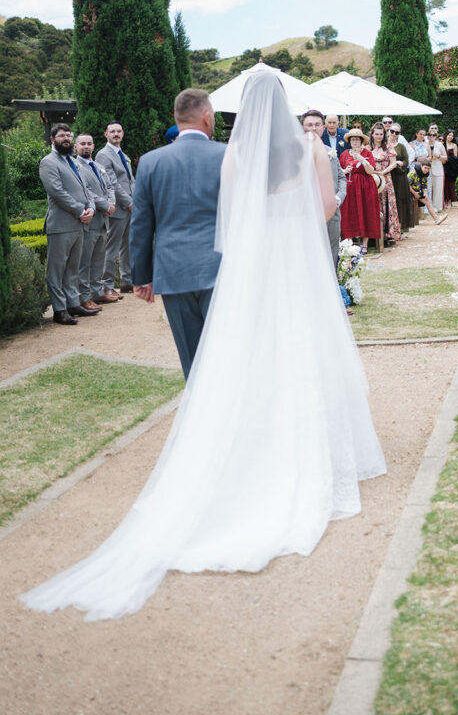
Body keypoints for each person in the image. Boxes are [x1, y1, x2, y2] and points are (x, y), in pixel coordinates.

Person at [22, 68, 386, 621]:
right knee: (271, 355)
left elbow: (166, 220)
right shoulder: (263, 153)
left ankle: (213, 429)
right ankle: (271, 427)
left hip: (193, 271)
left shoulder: (181, 159)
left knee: (209, 361)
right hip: (254, 271)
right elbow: (315, 210)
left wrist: (142, 272)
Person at [129, 89, 227, 380]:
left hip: (173, 272)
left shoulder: (150, 162)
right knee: (225, 353)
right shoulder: (228, 155)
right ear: (207, 117)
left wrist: (141, 277)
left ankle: (199, 418)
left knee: (192, 359)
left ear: (177, 117)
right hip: (221, 268)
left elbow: (141, 224)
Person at [38, 124, 96, 325]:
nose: (66, 139)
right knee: (57, 270)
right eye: (62, 136)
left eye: (69, 136)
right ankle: (59, 310)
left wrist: (91, 209)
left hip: (79, 224)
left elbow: (86, 189)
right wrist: (80, 210)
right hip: (61, 225)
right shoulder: (48, 162)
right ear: (52, 139)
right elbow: (56, 191)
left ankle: (73, 304)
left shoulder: (72, 161)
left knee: (72, 268)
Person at [74, 133, 116, 310]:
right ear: (76, 147)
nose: (86, 146)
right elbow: (87, 192)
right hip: (90, 221)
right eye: (82, 143)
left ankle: (98, 293)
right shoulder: (75, 166)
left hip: (104, 220)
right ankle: (84, 297)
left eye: (89, 143)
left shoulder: (99, 166)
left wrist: (112, 203)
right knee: (85, 261)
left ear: (93, 146)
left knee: (99, 260)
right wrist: (105, 204)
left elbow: (110, 186)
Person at [302, 110, 347, 266]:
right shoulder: (295, 153)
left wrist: (338, 197)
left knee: (332, 252)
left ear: (323, 127)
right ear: (303, 127)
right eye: (309, 125)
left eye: (317, 125)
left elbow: (341, 178)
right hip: (306, 213)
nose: (314, 128)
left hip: (332, 212)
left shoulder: (330, 151)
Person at [96, 121, 135, 296]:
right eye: (112, 131)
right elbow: (112, 183)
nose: (116, 134)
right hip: (118, 208)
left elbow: (130, 180)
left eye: (119, 131)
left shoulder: (123, 155)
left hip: (129, 206)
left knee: (128, 246)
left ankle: (127, 281)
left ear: (123, 133)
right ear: (106, 134)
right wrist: (128, 202)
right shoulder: (103, 155)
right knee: (112, 247)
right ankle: (107, 285)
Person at [339, 130, 381, 253]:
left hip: (365, 187)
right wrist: (344, 171)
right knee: (349, 213)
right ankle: (349, 242)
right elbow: (338, 171)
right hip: (349, 187)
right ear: (350, 141)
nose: (355, 142)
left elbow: (370, 171)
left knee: (366, 211)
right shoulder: (345, 154)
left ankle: (365, 243)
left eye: (357, 139)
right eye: (353, 140)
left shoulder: (367, 153)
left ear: (361, 141)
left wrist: (363, 159)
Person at [370, 122, 401, 244]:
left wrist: (383, 172)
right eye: (376, 134)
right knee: (374, 203)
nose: (379, 136)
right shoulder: (368, 147)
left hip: (385, 177)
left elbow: (394, 163)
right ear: (372, 134)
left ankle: (389, 233)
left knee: (387, 203)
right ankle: (375, 233)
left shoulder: (388, 147)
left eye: (381, 134)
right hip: (372, 177)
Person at [387, 124, 414, 232]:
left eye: (397, 133)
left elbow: (407, 161)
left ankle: (400, 225)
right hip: (387, 175)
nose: (394, 134)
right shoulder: (384, 145)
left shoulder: (401, 147)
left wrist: (400, 162)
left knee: (400, 201)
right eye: (392, 131)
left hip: (399, 176)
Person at [428, 129, 446, 211]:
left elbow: (445, 158)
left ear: (436, 136)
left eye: (433, 135)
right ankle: (427, 207)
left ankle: (437, 207)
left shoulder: (440, 145)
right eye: (429, 134)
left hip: (438, 168)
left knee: (438, 189)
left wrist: (438, 156)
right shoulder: (424, 144)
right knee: (427, 189)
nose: (431, 136)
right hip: (427, 169)